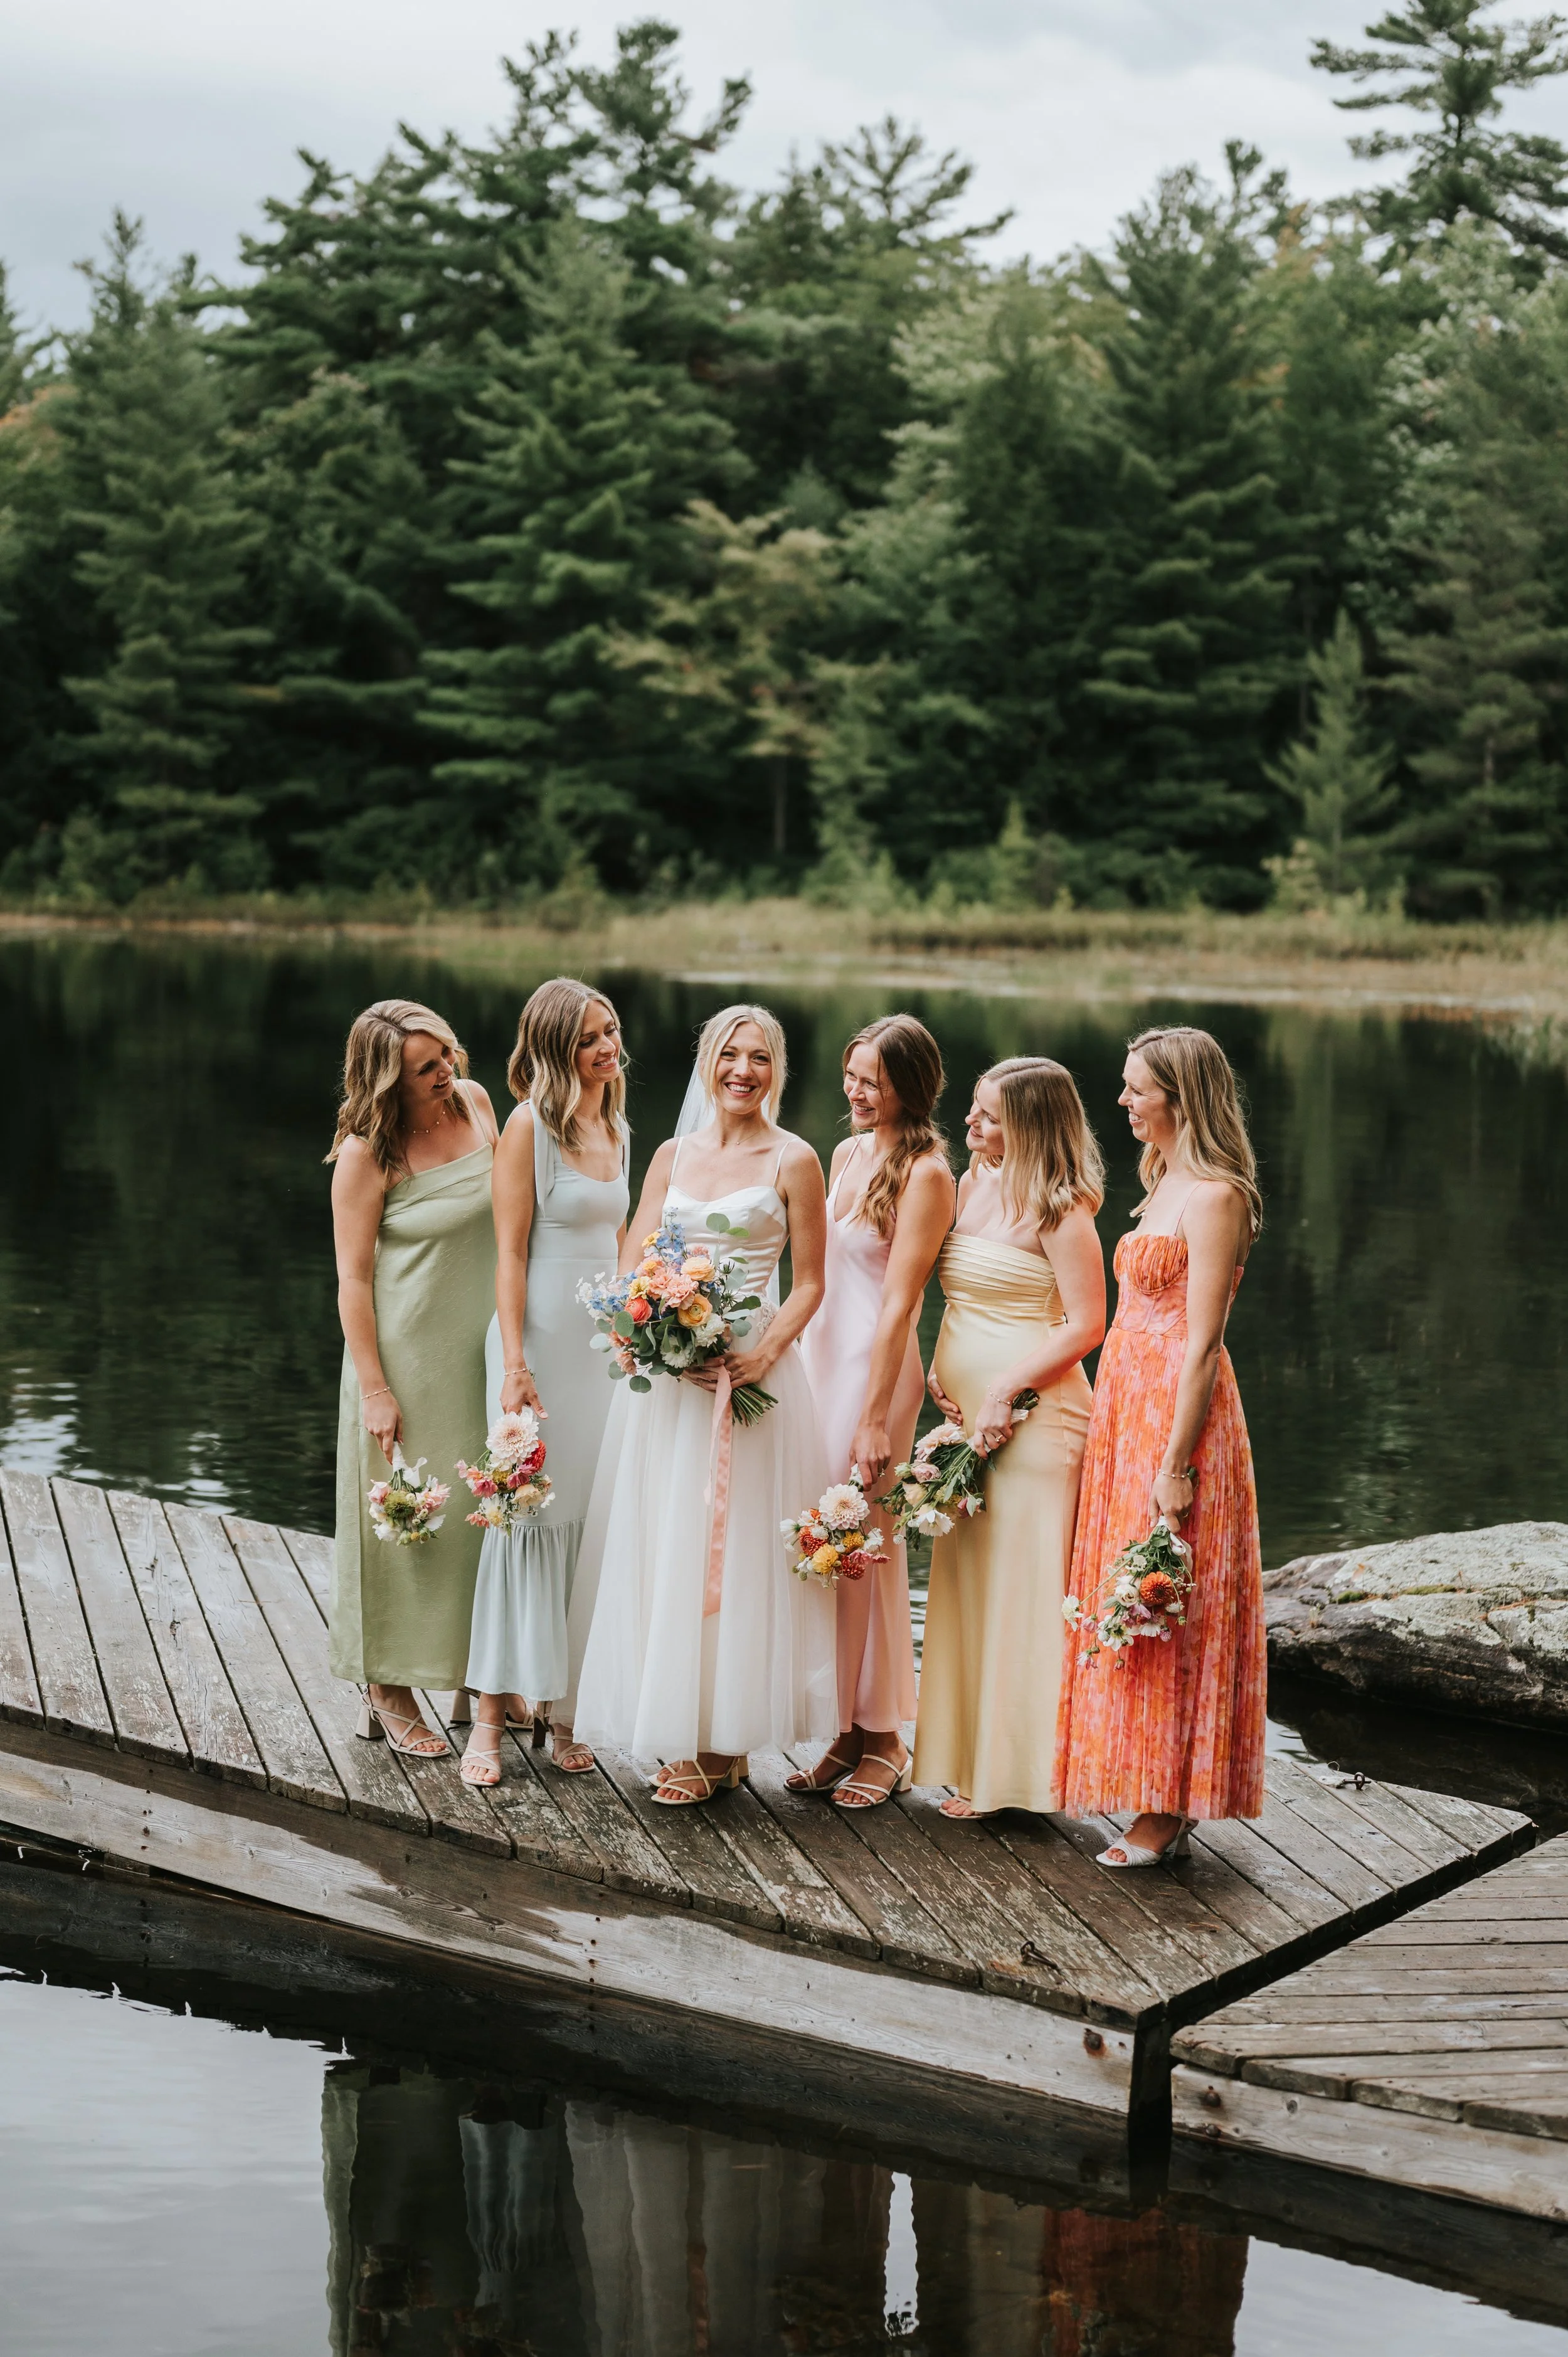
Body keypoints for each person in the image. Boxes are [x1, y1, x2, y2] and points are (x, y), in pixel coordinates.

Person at [568, 1004, 836, 1802]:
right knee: (670, 1544)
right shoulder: (672, 1155)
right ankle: (690, 1731)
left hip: (751, 1373)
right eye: (729, 1055)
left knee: (740, 1550)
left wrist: (761, 1352)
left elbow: (813, 1280)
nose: (742, 1071)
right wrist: (643, 1326)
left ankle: (724, 1743)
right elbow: (634, 1255)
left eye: (758, 1057)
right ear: (708, 1063)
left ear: (775, 1069)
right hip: (671, 1384)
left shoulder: (795, 1160)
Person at [1053, 1024, 1265, 1867]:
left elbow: (1205, 1342)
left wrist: (1177, 1460)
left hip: (1182, 1415)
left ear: (1181, 1095)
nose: (1124, 1100)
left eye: (1138, 1087)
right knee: (1130, 1590)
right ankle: (1142, 1777)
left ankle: (1170, 1801)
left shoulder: (1215, 1195)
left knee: (1169, 1596)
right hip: (1124, 1408)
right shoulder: (1162, 1179)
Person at [912, 1058, 1106, 1819]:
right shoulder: (972, 1184)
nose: (970, 1125)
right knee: (970, 1588)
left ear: (1029, 1125)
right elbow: (962, 1293)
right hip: (970, 1419)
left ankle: (1024, 1781)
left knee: (1023, 1596)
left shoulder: (1064, 1209)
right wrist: (939, 1364)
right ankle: (975, 1764)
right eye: (973, 1110)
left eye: (988, 1116)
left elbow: (1088, 1324)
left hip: (1036, 1420)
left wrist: (1001, 1389)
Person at [460, 980, 629, 1787]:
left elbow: (623, 1246)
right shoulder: (528, 1126)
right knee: (520, 1522)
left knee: (585, 1529)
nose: (608, 1048)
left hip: (601, 1357)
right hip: (534, 1347)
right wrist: (517, 1364)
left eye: (613, 1032)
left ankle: (563, 1709)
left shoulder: (617, 1126)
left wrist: (641, 1337)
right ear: (557, 1045)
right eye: (591, 1036)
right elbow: (510, 1253)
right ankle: (489, 1719)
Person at [328, 998, 499, 1755]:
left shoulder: (479, 1103)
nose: (446, 1072)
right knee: (405, 1521)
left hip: (482, 1351)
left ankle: (474, 1671)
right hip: (404, 1355)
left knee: (479, 1516)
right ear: (386, 1079)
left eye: (447, 1055)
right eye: (425, 1068)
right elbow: (352, 1280)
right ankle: (387, 1685)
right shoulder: (369, 1152)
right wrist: (374, 1387)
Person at [792, 1016, 954, 1809]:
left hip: (877, 1374)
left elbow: (900, 1305)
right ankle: (844, 1731)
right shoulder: (849, 1152)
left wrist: (872, 1416)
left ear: (910, 1087)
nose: (856, 1091)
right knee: (830, 1548)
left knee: (868, 1546)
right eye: (851, 1075)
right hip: (823, 1361)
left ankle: (887, 1737)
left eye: (873, 1081)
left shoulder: (926, 1172)